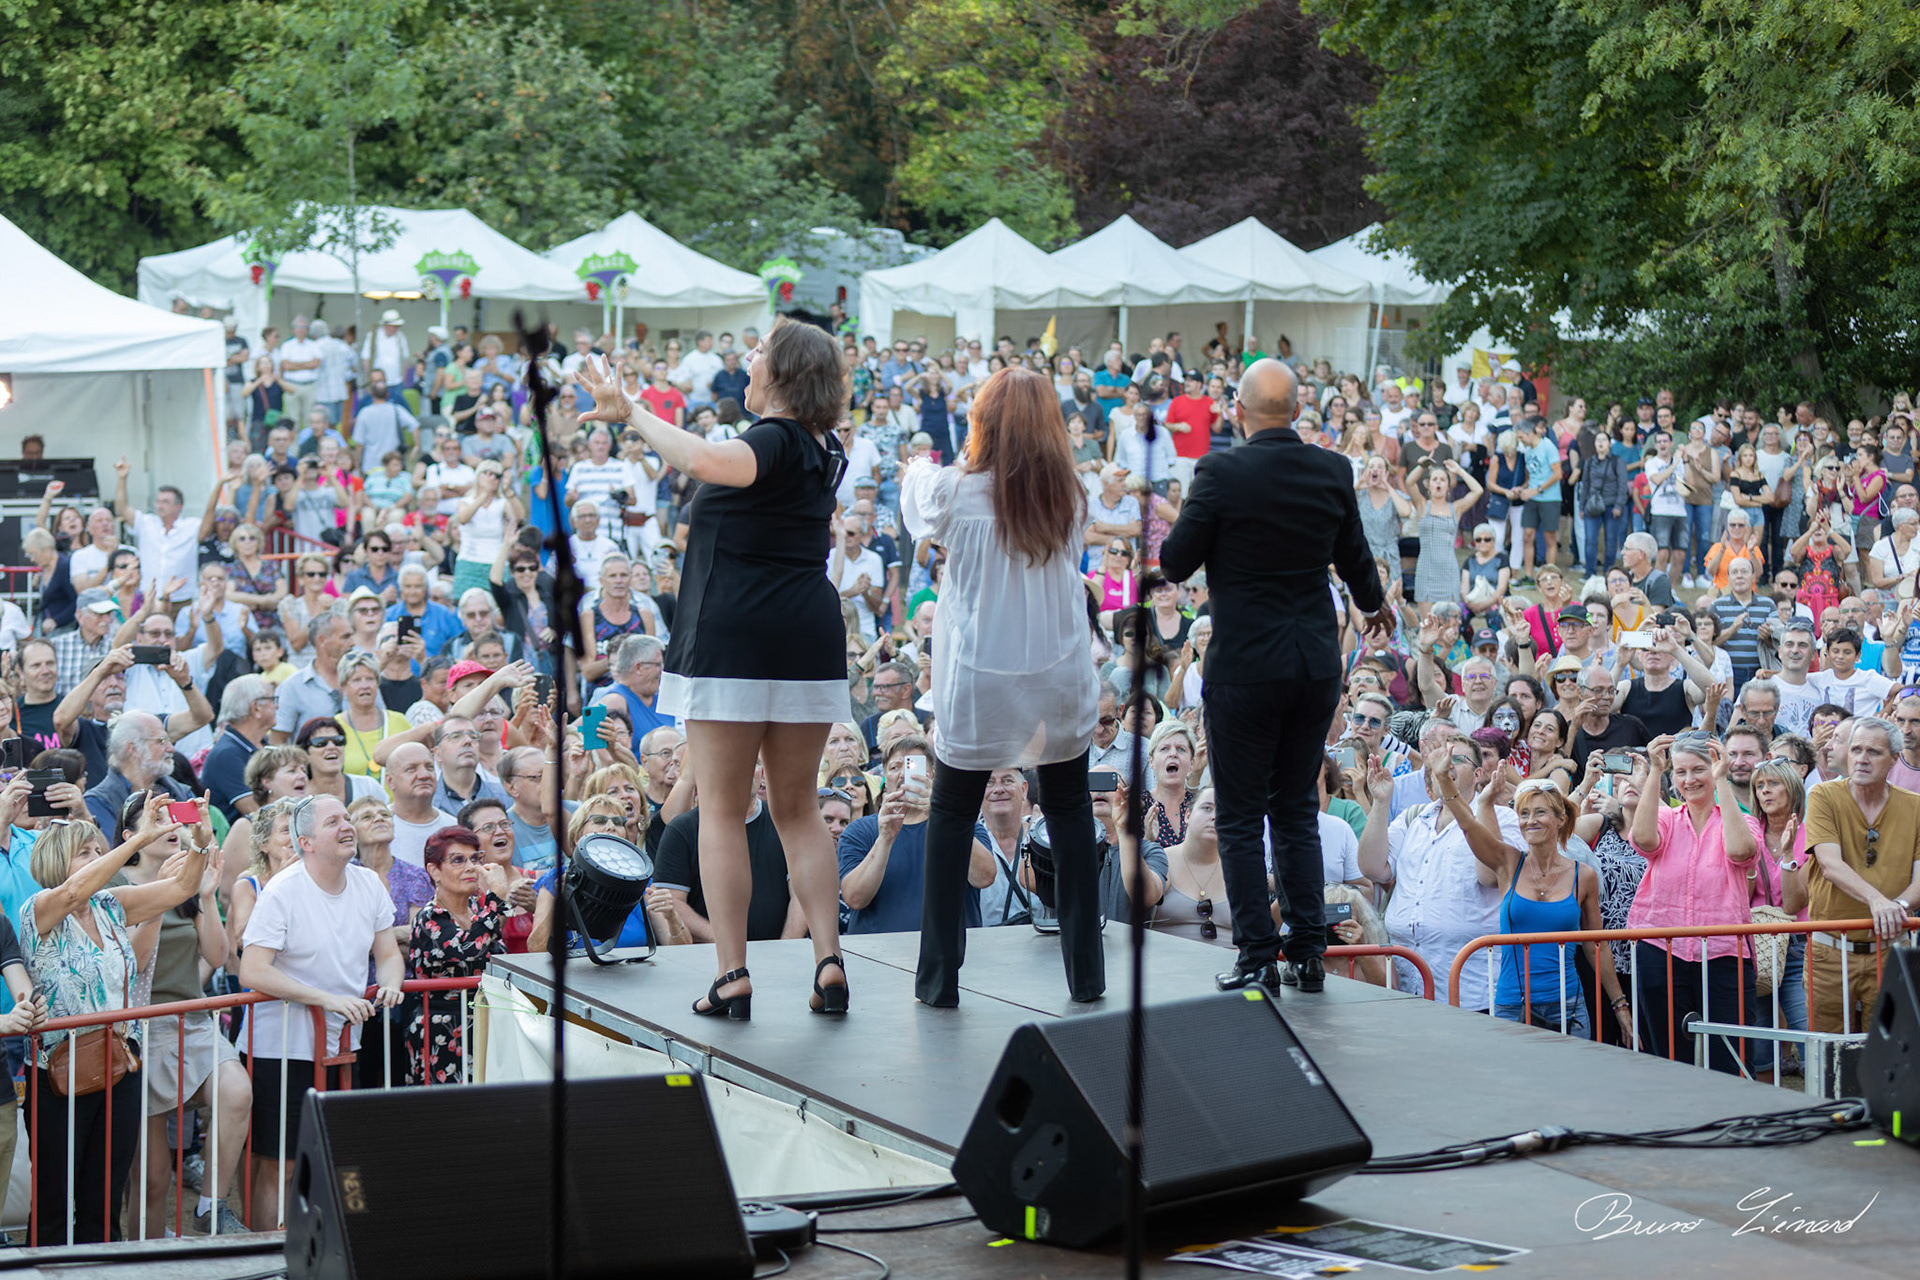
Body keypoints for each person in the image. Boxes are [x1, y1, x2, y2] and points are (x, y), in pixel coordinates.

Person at [573, 321, 850, 1019]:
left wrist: (630, 410)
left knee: (723, 809)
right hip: (808, 637)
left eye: (757, 355)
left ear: (783, 375)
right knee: (798, 808)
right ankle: (828, 960)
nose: (746, 363)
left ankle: (732, 974)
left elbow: (700, 460)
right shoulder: (826, 448)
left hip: (739, 633)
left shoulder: (773, 440)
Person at [1160, 358, 1390, 993]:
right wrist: (1374, 606)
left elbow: (1175, 560)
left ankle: (1258, 953)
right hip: (1313, 664)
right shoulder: (1331, 468)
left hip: (1245, 670)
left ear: (1237, 410)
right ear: (1297, 410)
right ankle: (1310, 952)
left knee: (1238, 814)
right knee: (1293, 808)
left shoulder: (1220, 471)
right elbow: (1355, 559)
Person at [897, 366, 1107, 1005]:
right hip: (1058, 672)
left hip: (980, 676)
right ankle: (1086, 973)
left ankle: (938, 978)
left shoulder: (955, 492)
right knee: (1070, 811)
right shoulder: (1071, 493)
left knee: (952, 813)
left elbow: (915, 502)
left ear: (982, 422)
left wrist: (917, 462)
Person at [20, 800, 206, 1244]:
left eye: (99, 849)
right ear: (56, 860)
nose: (99, 858)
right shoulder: (41, 908)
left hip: (120, 1065)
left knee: (104, 1197)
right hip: (58, 1073)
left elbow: (181, 887)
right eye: (86, 852)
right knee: (52, 1202)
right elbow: (70, 893)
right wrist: (140, 837)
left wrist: (199, 841)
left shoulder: (110, 904)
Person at [238, 795, 404, 1226]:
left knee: (331, 1162)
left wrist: (390, 983)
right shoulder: (282, 890)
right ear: (307, 841)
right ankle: (265, 1264)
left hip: (342, 1043)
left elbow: (387, 953)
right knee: (281, 1164)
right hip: (280, 1047)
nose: (347, 826)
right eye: (334, 822)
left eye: (347, 818)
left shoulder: (367, 882)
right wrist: (325, 999)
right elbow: (252, 970)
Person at [1432, 772, 1630, 1037]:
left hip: (1568, 1007)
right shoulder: (1508, 862)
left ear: (1561, 819)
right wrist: (1443, 778)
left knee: (1570, 1079)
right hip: (1513, 1005)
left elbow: (1596, 946)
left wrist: (1620, 1005)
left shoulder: (1583, 875)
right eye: (1524, 814)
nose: (1530, 820)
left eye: (1540, 812)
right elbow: (1467, 824)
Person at [1628, 733, 1766, 1074]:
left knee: (1730, 1058)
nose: (1689, 780)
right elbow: (1643, 840)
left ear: (1715, 767)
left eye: (1699, 769)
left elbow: (1741, 852)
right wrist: (1654, 773)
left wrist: (1722, 780)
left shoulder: (1742, 819)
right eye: (1681, 772)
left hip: (1724, 953)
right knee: (1669, 1057)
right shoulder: (1667, 819)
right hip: (1661, 950)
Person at [1802, 716, 1920, 1035]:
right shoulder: (1823, 796)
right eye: (1856, 749)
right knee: (1827, 1057)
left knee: (1889, 1054)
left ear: (1894, 759)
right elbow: (1830, 864)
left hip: (1891, 950)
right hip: (1830, 951)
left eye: (1873, 751)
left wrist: (1896, 905)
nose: (1862, 759)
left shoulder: (1915, 806)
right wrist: (1878, 902)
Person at [405, 826, 507, 1085]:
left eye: (475, 858)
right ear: (434, 871)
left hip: (486, 1023)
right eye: (458, 860)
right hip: (442, 1030)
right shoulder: (430, 917)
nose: (471, 867)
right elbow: (468, 950)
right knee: (448, 1114)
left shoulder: (478, 909)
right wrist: (496, 898)